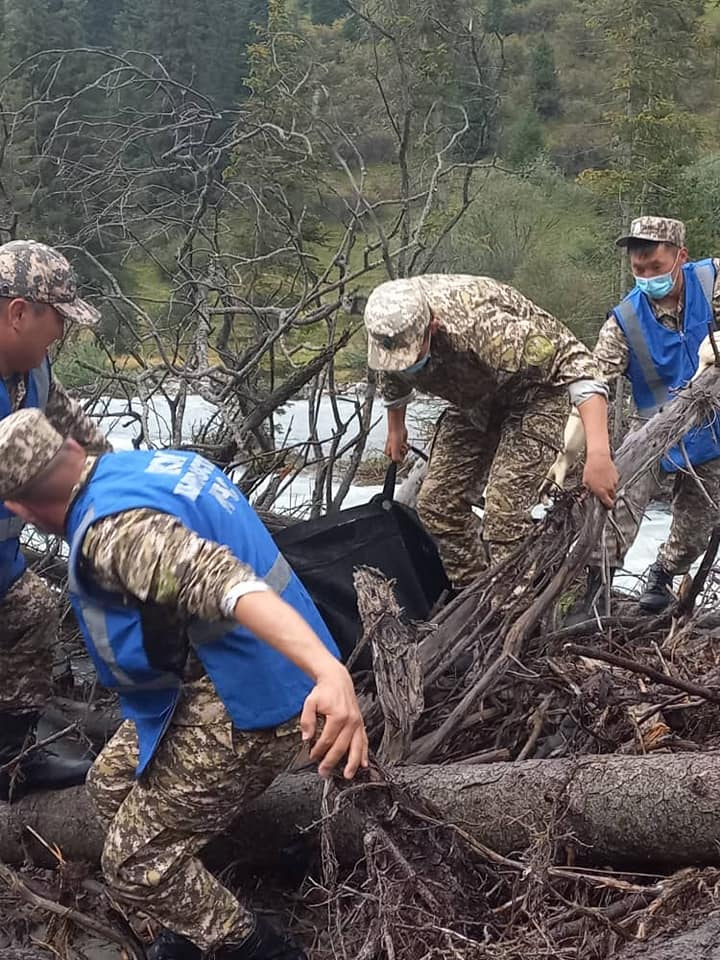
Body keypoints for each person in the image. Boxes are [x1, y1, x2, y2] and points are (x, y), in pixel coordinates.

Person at [0, 408, 368, 960]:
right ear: (71, 446)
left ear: (19, 509)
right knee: (109, 783)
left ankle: (256, 948)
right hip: (219, 674)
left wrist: (328, 672)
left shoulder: (114, 535)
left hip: (254, 698)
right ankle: (187, 911)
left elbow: (225, 585)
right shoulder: (134, 469)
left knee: (130, 864)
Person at [363, 274, 618, 589]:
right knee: (437, 504)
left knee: (504, 517)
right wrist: (395, 427)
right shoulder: (387, 326)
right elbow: (391, 374)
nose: (404, 365)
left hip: (533, 397)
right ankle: (474, 596)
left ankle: (515, 613)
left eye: (411, 356)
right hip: (474, 401)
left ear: (433, 328)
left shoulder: (484, 328)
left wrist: (598, 454)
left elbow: (580, 366)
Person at [545, 217, 720, 613]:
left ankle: (662, 573)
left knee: (696, 526)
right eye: (638, 270)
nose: (647, 277)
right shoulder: (624, 321)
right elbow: (590, 384)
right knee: (617, 498)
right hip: (652, 426)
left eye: (656, 268)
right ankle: (595, 588)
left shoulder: (712, 280)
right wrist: (569, 455)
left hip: (713, 428)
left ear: (680, 257)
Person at [0, 239, 111, 800]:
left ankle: (11, 759)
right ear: (19, 313)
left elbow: (77, 428)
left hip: (3, 563)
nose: (61, 337)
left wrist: (132, 484)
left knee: (36, 607)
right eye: (56, 322)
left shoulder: (33, 370)